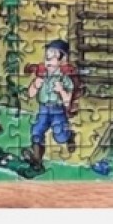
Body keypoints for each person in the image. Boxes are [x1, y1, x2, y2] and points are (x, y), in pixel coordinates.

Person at [23, 39, 76, 173]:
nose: (48, 61)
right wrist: (35, 85)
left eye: (52, 58)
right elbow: (30, 94)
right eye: (47, 57)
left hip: (58, 111)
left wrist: (61, 90)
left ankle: (69, 135)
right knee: (37, 131)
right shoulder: (42, 76)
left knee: (60, 137)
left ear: (62, 61)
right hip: (43, 109)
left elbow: (67, 102)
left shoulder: (65, 80)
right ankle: (37, 159)